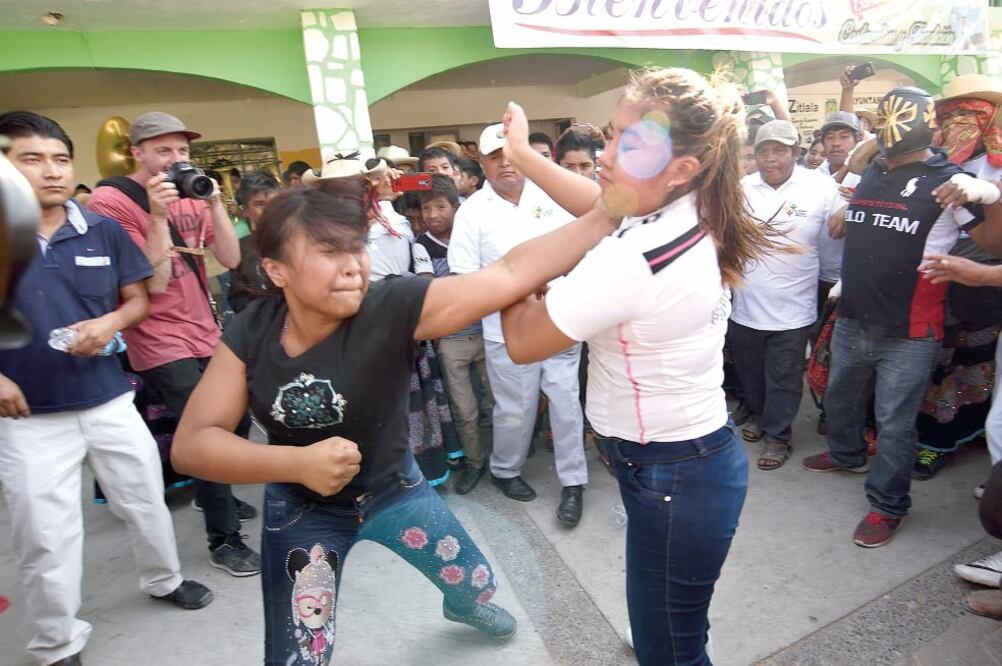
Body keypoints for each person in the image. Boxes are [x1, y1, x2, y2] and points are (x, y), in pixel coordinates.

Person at [170, 169, 622, 665]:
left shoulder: (390, 306)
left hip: (394, 490)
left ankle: (465, 608)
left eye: (356, 248)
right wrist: (294, 465)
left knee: (474, 581)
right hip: (304, 512)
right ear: (277, 270)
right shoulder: (251, 333)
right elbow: (193, 443)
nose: (352, 268)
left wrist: (606, 213)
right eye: (327, 253)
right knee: (301, 654)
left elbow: (509, 274)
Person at [498, 68, 776, 665]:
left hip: (673, 473)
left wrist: (519, 271)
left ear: (682, 166)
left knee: (669, 651)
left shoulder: (635, 261)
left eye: (631, 144)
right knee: (669, 622)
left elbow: (522, 340)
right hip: (677, 462)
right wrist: (522, 154)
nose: (603, 156)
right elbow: (603, 207)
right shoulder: (696, 200)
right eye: (612, 134)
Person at [0, 111, 212, 666]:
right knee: (44, 532)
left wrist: (110, 324)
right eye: (31, 159)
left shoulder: (102, 228)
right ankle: (56, 641)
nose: (50, 171)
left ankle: (164, 580)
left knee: (145, 499)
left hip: (109, 396)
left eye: (60, 159)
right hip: (27, 415)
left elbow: (139, 298)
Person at [802, 86, 1002, 548]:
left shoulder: (948, 180)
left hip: (910, 331)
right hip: (853, 315)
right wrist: (850, 208)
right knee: (841, 398)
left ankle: (888, 505)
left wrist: (988, 193)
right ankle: (848, 454)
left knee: (895, 423)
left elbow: (995, 245)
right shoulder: (872, 170)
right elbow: (860, 166)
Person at [87, 111, 261, 576]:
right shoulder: (110, 201)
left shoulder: (192, 192)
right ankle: (225, 541)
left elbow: (229, 256)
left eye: (182, 150)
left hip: (205, 327)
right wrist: (158, 215)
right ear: (137, 152)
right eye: (163, 150)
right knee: (208, 427)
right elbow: (155, 281)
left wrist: (217, 204)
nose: (175, 159)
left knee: (239, 417)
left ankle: (212, 494)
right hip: (158, 335)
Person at [449, 122, 588, 527]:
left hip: (558, 318)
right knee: (515, 407)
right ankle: (505, 470)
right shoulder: (473, 210)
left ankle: (574, 481)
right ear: (483, 163)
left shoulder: (552, 196)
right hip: (504, 329)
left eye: (511, 156)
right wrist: (517, 290)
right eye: (495, 158)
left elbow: (579, 246)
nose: (505, 165)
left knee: (565, 401)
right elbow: (463, 276)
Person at [731, 120, 844, 470]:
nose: (770, 159)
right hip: (746, 306)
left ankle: (778, 437)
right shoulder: (742, 188)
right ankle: (763, 417)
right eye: (764, 151)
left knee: (783, 375)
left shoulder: (820, 187)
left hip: (794, 307)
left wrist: (848, 214)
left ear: (795, 152)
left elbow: (840, 223)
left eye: (779, 150)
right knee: (751, 373)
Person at [913, 74, 1002, 480]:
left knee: (973, 364)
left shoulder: (994, 165)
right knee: (938, 364)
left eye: (973, 113)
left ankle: (947, 441)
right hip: (934, 281)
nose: (962, 122)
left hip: (985, 281)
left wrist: (988, 190)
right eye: (953, 113)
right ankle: (936, 437)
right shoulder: (933, 161)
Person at [415, 174, 495, 493]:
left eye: (440, 206)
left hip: (488, 333)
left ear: (456, 206)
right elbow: (427, 286)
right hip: (451, 341)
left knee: (500, 403)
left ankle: (506, 461)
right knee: (465, 410)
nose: (432, 214)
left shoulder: (474, 235)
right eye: (426, 208)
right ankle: (476, 464)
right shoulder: (421, 245)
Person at [228, 170, 282, 314]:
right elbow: (237, 299)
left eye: (275, 202)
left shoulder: (298, 242)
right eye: (260, 204)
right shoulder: (239, 250)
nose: (270, 210)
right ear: (245, 210)